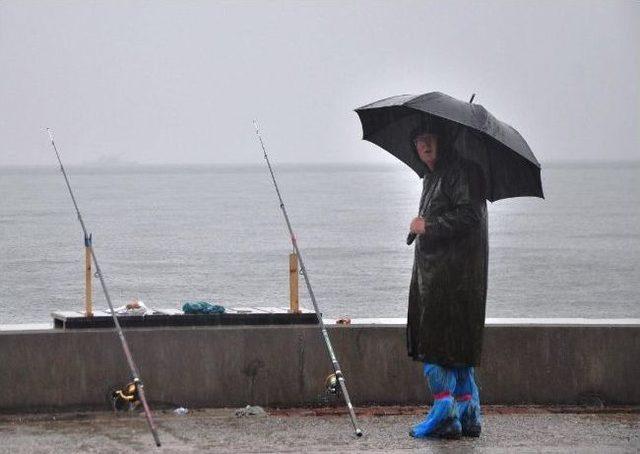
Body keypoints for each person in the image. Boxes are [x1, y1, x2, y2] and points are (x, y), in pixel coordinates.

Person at [406, 125, 488, 439]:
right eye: (418, 142)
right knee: (458, 349)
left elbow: (470, 216)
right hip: (443, 274)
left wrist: (428, 224)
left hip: (448, 279)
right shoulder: (436, 176)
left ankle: (446, 414)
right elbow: (439, 214)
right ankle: (467, 414)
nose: (423, 147)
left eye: (429, 140)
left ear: (442, 141)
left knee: (436, 347)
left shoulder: (459, 172)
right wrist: (418, 228)